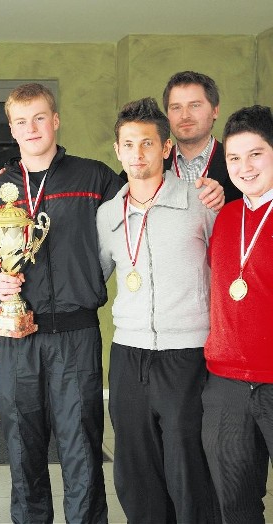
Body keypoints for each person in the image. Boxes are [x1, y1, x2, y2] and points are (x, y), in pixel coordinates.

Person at [0, 82, 123, 524]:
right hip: (20, 337)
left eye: (40, 117)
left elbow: (137, 217)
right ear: (12, 129)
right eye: (21, 121)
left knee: (80, 450)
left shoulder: (94, 177)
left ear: (55, 120)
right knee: (22, 452)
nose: (32, 128)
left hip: (77, 335)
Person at [97, 98, 218, 523]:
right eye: (128, 144)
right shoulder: (107, 214)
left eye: (147, 143)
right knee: (135, 468)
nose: (137, 154)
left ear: (166, 148)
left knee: (188, 467)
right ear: (117, 150)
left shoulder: (201, 203)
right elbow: (92, 277)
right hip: (128, 355)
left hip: (187, 353)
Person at [202, 105, 273, 523]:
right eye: (234, 157)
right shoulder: (225, 216)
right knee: (236, 506)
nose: (244, 167)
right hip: (226, 385)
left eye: (256, 154)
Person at [162, 70, 241, 202]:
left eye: (195, 105)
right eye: (176, 107)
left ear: (215, 111)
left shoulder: (241, 165)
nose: (185, 115)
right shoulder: (151, 165)